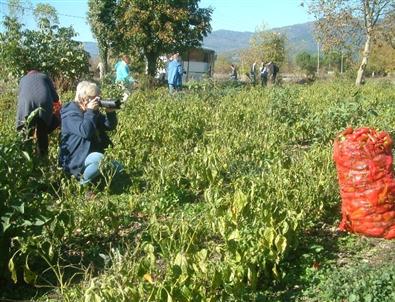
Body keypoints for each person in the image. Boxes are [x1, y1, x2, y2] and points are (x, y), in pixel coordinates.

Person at [59, 81, 122, 185]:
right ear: (83, 99)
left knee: (119, 168)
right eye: (95, 98)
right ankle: (83, 184)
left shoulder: (89, 111)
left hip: (90, 155)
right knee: (100, 161)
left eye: (99, 97)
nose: (98, 101)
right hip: (75, 161)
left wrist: (110, 113)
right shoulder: (70, 114)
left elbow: (108, 126)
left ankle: (96, 180)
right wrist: (90, 111)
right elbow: (85, 131)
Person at [16, 70, 60, 157]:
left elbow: (21, 95)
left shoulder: (23, 79)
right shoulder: (44, 77)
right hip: (44, 104)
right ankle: (42, 159)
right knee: (42, 132)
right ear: (38, 72)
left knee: (27, 131)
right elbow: (56, 98)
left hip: (27, 105)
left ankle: (26, 157)